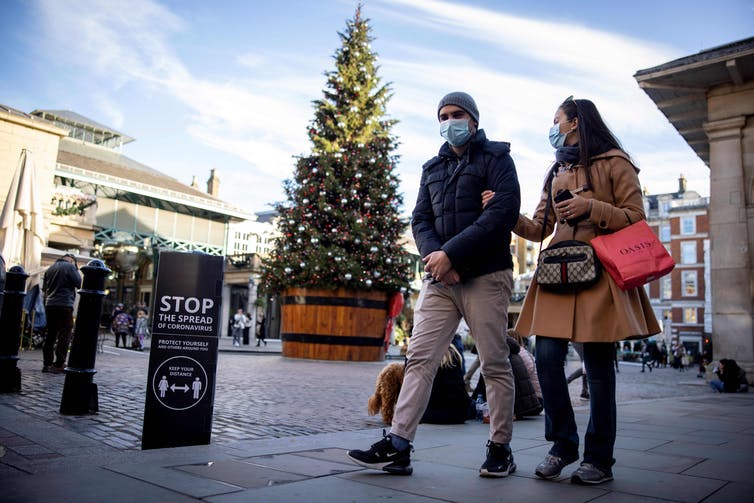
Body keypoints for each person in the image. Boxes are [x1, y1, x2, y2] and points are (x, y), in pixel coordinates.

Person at [347, 91, 521, 477]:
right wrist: (437, 260)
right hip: (439, 278)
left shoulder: (497, 158)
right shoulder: (432, 168)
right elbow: (420, 220)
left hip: (486, 276)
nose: (450, 121)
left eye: (457, 114)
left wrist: (453, 256)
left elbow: (502, 214)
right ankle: (399, 443)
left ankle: (500, 447)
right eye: (443, 116)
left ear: (473, 118)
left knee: (494, 362)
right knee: (420, 359)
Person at [506, 97, 661, 485]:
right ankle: (562, 445)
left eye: (556, 119)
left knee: (598, 369)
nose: (553, 126)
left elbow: (636, 218)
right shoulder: (557, 168)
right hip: (558, 274)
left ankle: (599, 459)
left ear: (575, 122)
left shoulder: (616, 162)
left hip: (599, 276)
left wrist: (591, 208)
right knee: (546, 357)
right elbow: (540, 226)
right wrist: (506, 213)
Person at [42, 253, 82, 373]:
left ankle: (47, 364)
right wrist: (75, 269)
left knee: (50, 335)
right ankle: (59, 363)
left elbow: (44, 288)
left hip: (50, 304)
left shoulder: (50, 268)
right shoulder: (70, 267)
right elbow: (78, 282)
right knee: (65, 334)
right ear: (71, 261)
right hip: (64, 305)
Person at [421, 344, 476, 424]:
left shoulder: (425, 355)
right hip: (458, 415)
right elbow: (461, 392)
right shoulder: (454, 355)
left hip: (429, 415)